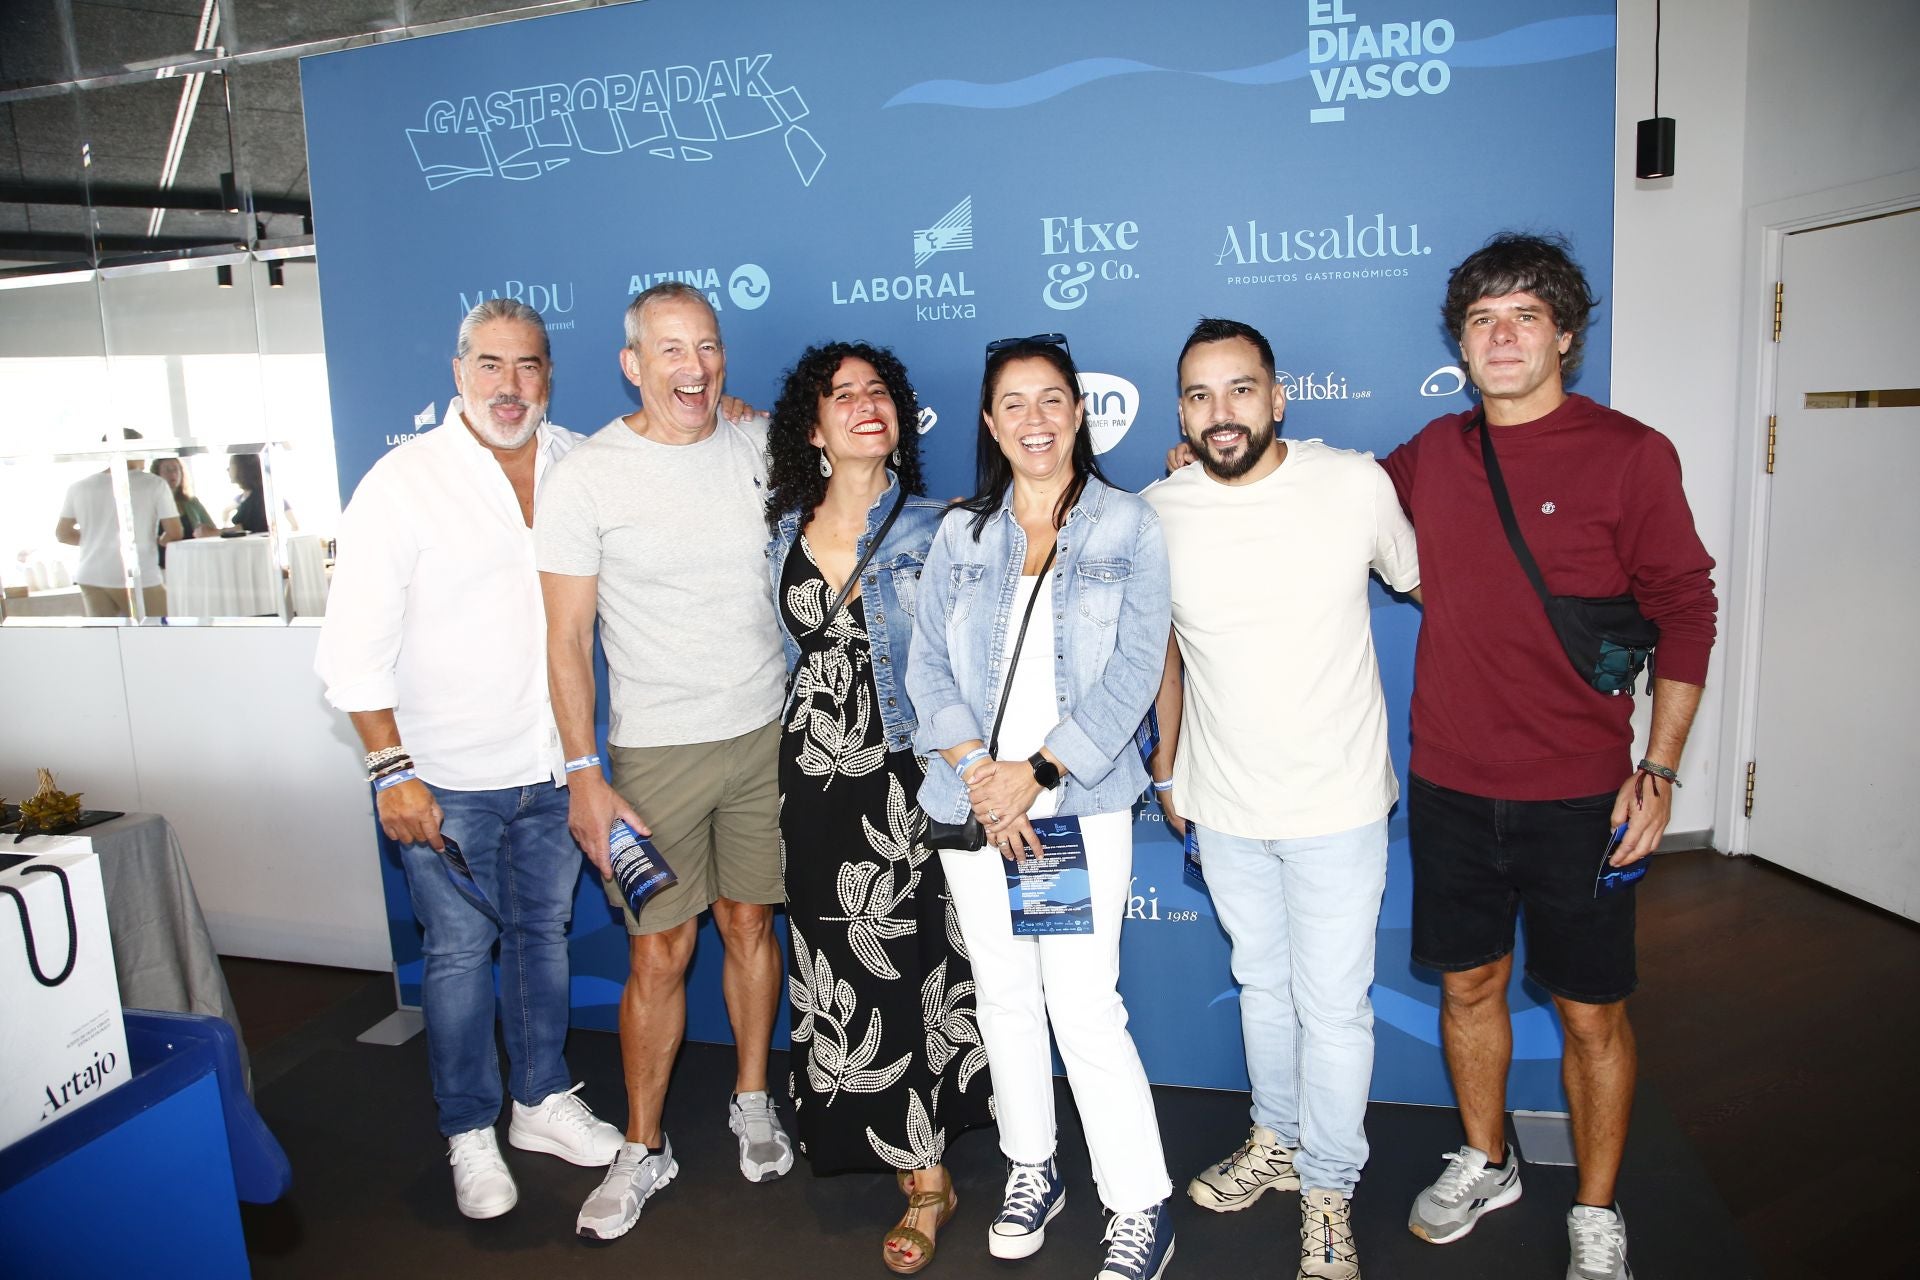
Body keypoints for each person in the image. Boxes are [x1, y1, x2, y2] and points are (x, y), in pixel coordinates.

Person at [1382, 234, 1717, 1280]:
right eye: (1483, 319)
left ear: (1566, 333)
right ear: (1461, 342)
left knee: (1589, 1007)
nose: (1503, 335)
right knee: (1471, 985)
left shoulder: (1630, 453)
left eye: (1526, 315)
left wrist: (1656, 768)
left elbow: (1685, 616)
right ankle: (1486, 1156)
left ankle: (1597, 1205)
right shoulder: (1432, 454)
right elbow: (1318, 507)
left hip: (1582, 793)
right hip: (1445, 782)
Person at [314, 297, 624, 1222]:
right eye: (490, 365)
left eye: (528, 366)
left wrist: (731, 410)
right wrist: (388, 771)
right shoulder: (402, 483)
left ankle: (538, 1102)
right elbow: (349, 651)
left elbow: (674, 445)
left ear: (550, 376)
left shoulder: (581, 461)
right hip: (443, 778)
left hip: (555, 764)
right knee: (455, 956)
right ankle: (468, 1131)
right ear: (458, 373)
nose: (510, 385)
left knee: (543, 941)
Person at [1144, 317, 1420, 1280]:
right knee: (1264, 988)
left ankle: (1331, 1189)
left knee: (1335, 1009)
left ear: (1278, 394)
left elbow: (1424, 580)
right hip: (1223, 804)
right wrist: (1168, 769)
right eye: (1200, 396)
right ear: (1182, 409)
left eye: (1241, 389)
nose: (1221, 414)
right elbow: (1163, 652)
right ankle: (1278, 1142)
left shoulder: (1353, 484)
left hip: (1341, 801)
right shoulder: (1160, 507)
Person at [907, 333, 1176, 1280]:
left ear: (1078, 412)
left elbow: (1139, 670)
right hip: (977, 804)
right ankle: (1034, 1167)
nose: (1035, 419)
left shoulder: (1126, 526)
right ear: (990, 422)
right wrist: (985, 773)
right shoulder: (961, 533)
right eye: (1014, 403)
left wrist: (1041, 774)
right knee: (1006, 999)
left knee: (1080, 1004)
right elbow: (925, 667)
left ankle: (1140, 1203)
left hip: (1066, 807)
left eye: (1052, 399)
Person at [538, 282, 794, 1242]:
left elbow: (863, 472)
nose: (693, 368)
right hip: (652, 751)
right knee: (659, 951)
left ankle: (753, 1097)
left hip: (764, 733)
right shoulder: (588, 478)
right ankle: (644, 1146)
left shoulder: (760, 446)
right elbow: (565, 641)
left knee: (750, 927)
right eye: (671, 351)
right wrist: (583, 772)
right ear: (632, 363)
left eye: (709, 349)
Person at [764, 340, 993, 1274]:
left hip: (908, 778)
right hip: (815, 784)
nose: (865, 405)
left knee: (913, 969)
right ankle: (877, 1140)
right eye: (841, 395)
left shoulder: (944, 526)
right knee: (838, 970)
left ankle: (929, 1176)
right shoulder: (780, 529)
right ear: (813, 430)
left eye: (879, 393)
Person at [54, 428, 181, 618]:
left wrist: (95, 540)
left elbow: (63, 534)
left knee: (107, 640)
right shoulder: (154, 484)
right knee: (160, 635)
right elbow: (175, 532)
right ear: (137, 450)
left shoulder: (79, 487)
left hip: (91, 575)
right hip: (137, 575)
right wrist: (160, 540)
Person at [152, 457, 218, 568]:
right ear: (157, 474)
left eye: (176, 469)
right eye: (167, 470)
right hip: (163, 566)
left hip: (194, 562)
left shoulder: (192, 502)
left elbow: (212, 529)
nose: (172, 473)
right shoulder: (152, 503)